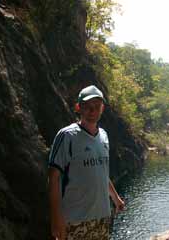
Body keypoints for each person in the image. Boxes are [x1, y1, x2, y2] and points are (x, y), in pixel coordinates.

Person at [48, 85, 125, 240]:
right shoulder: (67, 136)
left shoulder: (103, 136)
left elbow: (102, 172)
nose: (92, 111)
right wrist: (56, 219)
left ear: (102, 108)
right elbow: (53, 179)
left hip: (102, 217)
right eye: (87, 107)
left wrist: (116, 198)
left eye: (97, 107)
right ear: (78, 107)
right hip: (74, 221)